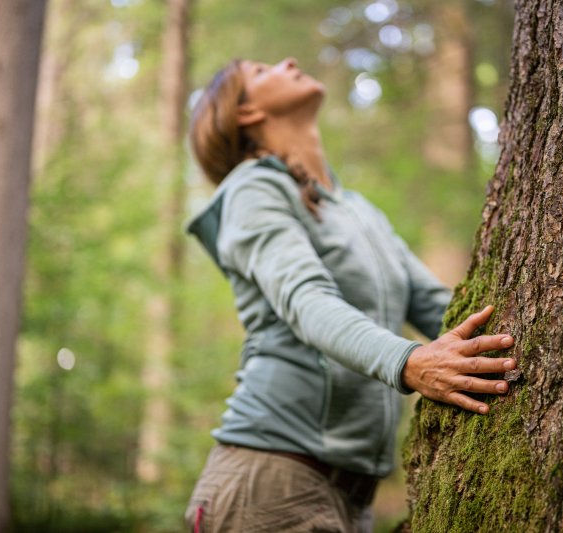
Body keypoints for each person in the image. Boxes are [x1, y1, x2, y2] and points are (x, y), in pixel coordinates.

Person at [184, 57, 517, 532]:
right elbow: (307, 301)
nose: (290, 61)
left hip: (351, 498)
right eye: (262, 71)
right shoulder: (252, 189)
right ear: (245, 114)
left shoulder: (355, 209)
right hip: (268, 484)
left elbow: (432, 305)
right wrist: (411, 362)